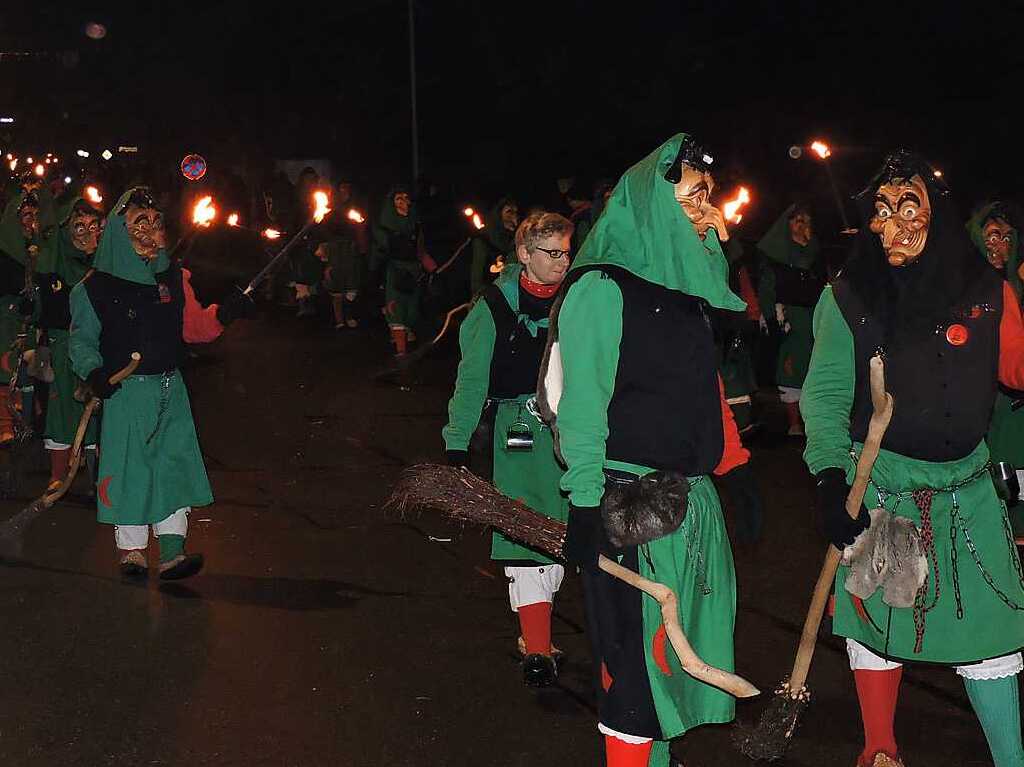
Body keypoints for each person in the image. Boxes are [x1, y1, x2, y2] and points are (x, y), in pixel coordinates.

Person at [801, 150, 1024, 767]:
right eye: (881, 208)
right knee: (879, 622)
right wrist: (827, 477)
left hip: (970, 489)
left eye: (909, 205)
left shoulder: (988, 290)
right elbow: (822, 396)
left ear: (939, 213)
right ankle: (879, 750)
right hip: (886, 487)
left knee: (994, 632)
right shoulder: (849, 297)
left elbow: (1018, 369)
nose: (893, 221)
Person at [545, 134, 760, 767]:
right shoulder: (602, 289)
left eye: (706, 198)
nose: (704, 212)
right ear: (650, 204)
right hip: (626, 509)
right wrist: (586, 504)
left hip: (689, 508)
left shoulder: (684, 294)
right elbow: (581, 406)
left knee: (672, 682)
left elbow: (703, 389)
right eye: (690, 199)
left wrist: (733, 467)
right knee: (635, 687)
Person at [69, 187, 254, 579]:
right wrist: (94, 372)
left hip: (171, 388)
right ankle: (132, 552)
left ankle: (172, 551)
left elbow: (196, 328)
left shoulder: (173, 277)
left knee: (172, 467)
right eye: (140, 222)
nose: (151, 229)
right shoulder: (94, 288)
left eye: (155, 221)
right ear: (120, 230)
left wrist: (227, 311)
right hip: (126, 393)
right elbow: (82, 341)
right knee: (130, 469)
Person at [443, 211, 573, 687]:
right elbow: (471, 380)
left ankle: (538, 633)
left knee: (567, 535)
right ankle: (537, 647)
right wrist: (457, 446)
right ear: (523, 254)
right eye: (551, 253)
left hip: (574, 432)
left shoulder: (577, 298)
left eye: (566, 251)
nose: (562, 263)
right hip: (517, 433)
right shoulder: (492, 307)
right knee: (526, 532)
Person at [35, 196, 105, 489]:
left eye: (94, 226)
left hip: (98, 346)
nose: (89, 234)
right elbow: (51, 312)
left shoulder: (106, 266)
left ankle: (96, 475)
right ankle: (58, 473)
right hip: (63, 346)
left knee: (98, 408)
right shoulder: (56, 267)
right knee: (63, 407)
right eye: (80, 228)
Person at [968, 202, 1024, 533]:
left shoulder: (1018, 283)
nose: (999, 245)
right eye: (990, 236)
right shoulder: (964, 287)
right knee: (994, 479)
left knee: (1016, 477)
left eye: (1005, 236)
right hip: (980, 406)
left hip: (1013, 406)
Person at [757, 204, 825, 436]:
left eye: (806, 220)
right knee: (791, 371)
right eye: (797, 220)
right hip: (790, 320)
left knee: (817, 371)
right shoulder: (777, 256)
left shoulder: (816, 254)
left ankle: (814, 423)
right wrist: (772, 320)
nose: (803, 224)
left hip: (816, 318)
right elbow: (767, 291)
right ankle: (794, 423)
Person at [372, 185, 435, 356]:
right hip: (394, 272)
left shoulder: (415, 225)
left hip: (414, 272)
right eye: (398, 199)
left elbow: (420, 250)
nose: (403, 202)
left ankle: (406, 333)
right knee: (396, 309)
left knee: (412, 310)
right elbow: (379, 252)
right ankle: (401, 352)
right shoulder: (384, 228)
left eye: (406, 198)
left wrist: (433, 268)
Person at [469, 197, 518, 297]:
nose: (514, 217)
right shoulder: (483, 240)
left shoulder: (514, 242)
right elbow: (476, 278)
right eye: (509, 212)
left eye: (515, 213)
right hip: (488, 296)